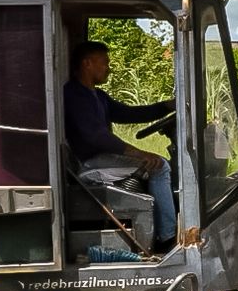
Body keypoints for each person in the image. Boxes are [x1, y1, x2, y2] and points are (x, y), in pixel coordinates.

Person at [64, 40, 176, 250]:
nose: (108, 68)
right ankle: (168, 238)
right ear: (87, 64)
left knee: (158, 164)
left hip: (100, 159)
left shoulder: (98, 96)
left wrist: (166, 106)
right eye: (104, 63)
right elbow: (97, 137)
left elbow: (129, 114)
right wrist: (139, 153)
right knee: (160, 167)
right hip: (89, 164)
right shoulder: (74, 95)